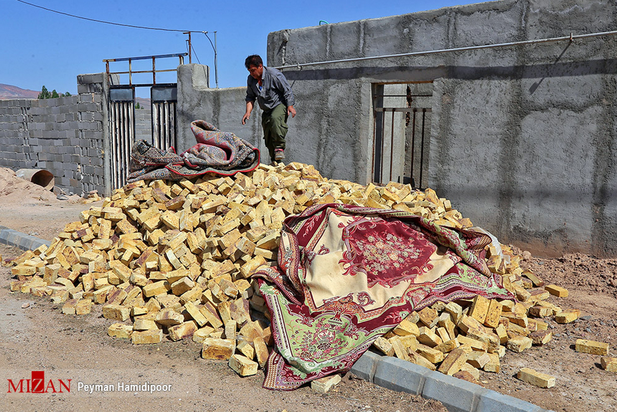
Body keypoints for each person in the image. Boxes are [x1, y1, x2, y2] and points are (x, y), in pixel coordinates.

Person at [241, 55, 296, 164]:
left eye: (253, 70)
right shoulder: (251, 79)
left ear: (260, 66)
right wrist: (248, 112)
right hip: (266, 109)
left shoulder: (274, 75)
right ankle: (275, 162)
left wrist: (290, 106)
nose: (251, 73)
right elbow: (250, 97)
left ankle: (279, 148)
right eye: (249, 71)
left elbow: (287, 90)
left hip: (279, 104)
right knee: (268, 135)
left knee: (275, 120)